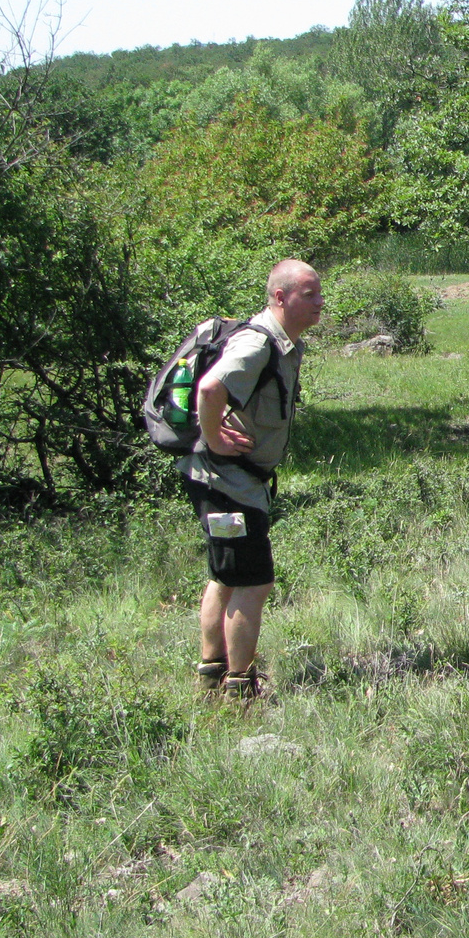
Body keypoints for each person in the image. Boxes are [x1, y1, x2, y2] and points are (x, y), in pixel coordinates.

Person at [180, 259, 323, 700]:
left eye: (320, 293)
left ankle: (211, 675)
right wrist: (214, 439)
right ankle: (239, 689)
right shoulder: (257, 344)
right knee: (253, 582)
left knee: (225, 576)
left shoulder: (282, 345)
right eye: (310, 294)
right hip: (229, 483)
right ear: (280, 297)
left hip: (230, 481)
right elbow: (208, 389)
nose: (320, 303)